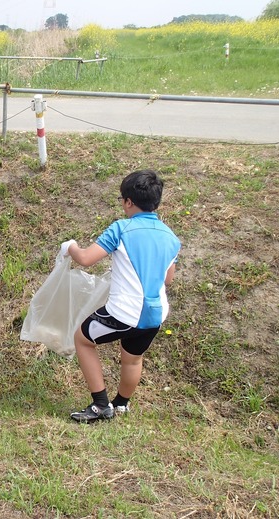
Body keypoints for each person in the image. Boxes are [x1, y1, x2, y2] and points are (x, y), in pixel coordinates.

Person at [61, 169, 181, 423]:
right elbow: (168, 278)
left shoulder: (122, 229)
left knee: (82, 339)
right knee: (132, 358)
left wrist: (69, 246)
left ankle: (100, 405)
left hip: (124, 311)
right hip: (156, 314)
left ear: (128, 201)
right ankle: (121, 405)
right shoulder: (171, 237)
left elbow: (85, 259)